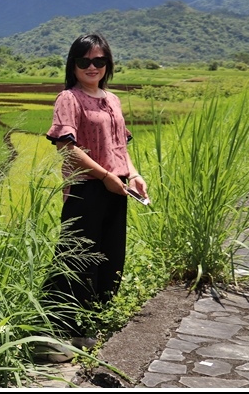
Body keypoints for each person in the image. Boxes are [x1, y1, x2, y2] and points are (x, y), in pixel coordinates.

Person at [39, 32, 149, 360]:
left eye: (98, 61)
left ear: (107, 64)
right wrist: (105, 177)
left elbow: (119, 145)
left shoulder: (112, 99)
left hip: (117, 188)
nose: (92, 67)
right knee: (75, 260)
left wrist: (135, 175)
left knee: (109, 259)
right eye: (84, 61)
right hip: (87, 190)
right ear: (73, 64)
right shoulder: (69, 98)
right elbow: (67, 148)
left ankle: (87, 330)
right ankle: (52, 337)